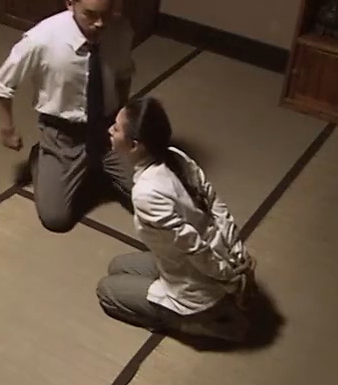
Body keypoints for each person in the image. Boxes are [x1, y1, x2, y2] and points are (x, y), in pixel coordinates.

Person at [0, 0, 135, 233]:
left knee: (151, 196)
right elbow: (2, 84)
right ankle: (41, 157)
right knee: (56, 218)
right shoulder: (42, 40)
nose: (99, 23)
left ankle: (98, 164)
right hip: (63, 134)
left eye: (105, 13)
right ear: (71, 4)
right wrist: (7, 129)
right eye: (90, 14)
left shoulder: (120, 30)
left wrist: (124, 120)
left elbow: (124, 74)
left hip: (108, 129)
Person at [95, 97, 255, 338]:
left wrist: (231, 277)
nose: (110, 130)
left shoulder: (147, 193)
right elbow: (216, 205)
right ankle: (219, 300)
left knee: (106, 291)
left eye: (116, 128)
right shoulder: (174, 156)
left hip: (197, 286)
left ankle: (196, 322)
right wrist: (236, 253)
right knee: (117, 266)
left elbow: (195, 248)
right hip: (205, 258)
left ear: (134, 145)